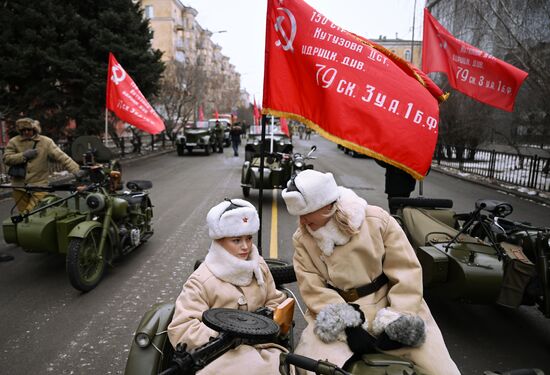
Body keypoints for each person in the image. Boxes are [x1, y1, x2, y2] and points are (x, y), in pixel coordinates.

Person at [281, 170, 460, 375]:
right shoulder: (303, 238)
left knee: (442, 368)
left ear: (326, 206)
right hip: (336, 307)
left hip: (390, 301)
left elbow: (406, 271)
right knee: (312, 366)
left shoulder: (377, 220)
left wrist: (398, 318)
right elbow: (313, 287)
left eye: (305, 214)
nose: (302, 222)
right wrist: (347, 325)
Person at [167, 198, 291, 375]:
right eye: (236, 240)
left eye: (249, 238)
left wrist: (266, 322)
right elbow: (183, 327)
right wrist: (225, 337)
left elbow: (276, 301)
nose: (246, 247)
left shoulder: (259, 266)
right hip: (218, 356)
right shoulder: (201, 280)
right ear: (219, 241)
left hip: (264, 349)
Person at [3, 117, 82, 213]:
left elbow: (62, 157)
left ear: (34, 129)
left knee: (32, 212)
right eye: (23, 130)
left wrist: (76, 170)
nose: (26, 132)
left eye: (29, 129)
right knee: (23, 217)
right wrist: (23, 155)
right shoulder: (14, 142)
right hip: (19, 186)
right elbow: (6, 158)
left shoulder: (46, 142)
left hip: (39, 185)